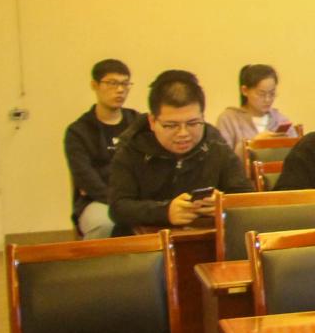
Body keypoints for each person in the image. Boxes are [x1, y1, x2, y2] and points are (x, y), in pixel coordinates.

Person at [107, 69, 251, 234]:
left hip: (204, 238)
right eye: (171, 125)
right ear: (152, 121)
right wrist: (164, 211)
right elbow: (118, 208)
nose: (183, 133)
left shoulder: (215, 143)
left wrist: (223, 203)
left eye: (193, 123)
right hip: (145, 242)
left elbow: (246, 196)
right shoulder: (132, 148)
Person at [65, 59, 143, 240]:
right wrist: (121, 203)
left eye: (125, 84)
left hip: (137, 198)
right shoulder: (79, 131)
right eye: (112, 83)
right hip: (98, 201)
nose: (120, 90)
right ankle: (93, 260)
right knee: (103, 223)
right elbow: (86, 179)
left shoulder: (138, 123)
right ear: (95, 85)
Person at [214, 63, 294, 151]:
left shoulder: (280, 120)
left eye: (272, 93)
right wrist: (253, 143)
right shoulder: (228, 119)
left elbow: (296, 152)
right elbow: (223, 157)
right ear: (244, 90)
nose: (267, 99)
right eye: (261, 94)